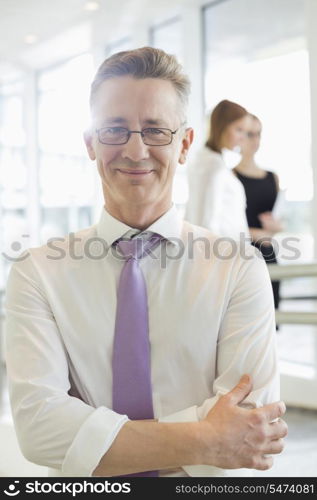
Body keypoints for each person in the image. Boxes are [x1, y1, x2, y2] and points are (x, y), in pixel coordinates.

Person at [4, 47, 287, 478]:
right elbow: (40, 428)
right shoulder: (37, 271)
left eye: (155, 130)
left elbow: (250, 421)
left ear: (185, 144)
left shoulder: (239, 268)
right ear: (90, 144)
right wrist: (210, 438)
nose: (135, 151)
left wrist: (90, 439)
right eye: (115, 129)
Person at [233, 114, 282, 310]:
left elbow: (275, 217)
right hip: (243, 254)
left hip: (269, 253)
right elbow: (224, 225)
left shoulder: (272, 178)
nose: (255, 140)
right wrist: (255, 233)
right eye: (250, 134)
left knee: (273, 317)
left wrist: (277, 227)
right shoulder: (231, 177)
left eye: (258, 134)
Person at [185, 99, 250, 240]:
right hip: (222, 253)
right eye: (239, 130)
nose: (242, 138)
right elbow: (208, 220)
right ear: (222, 127)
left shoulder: (204, 160)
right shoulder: (214, 166)